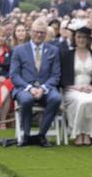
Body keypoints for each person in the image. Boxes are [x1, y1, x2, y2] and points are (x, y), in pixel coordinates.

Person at [9, 18, 62, 147]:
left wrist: (43, 88)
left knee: (56, 99)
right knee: (27, 100)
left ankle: (42, 135)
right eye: (36, 32)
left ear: (46, 34)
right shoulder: (19, 50)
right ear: (30, 32)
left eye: (42, 32)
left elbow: (56, 75)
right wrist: (29, 88)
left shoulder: (53, 50)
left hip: (46, 88)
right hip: (24, 87)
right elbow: (14, 75)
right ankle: (25, 135)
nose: (39, 35)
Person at [60, 22, 92, 147]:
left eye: (84, 37)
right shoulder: (67, 55)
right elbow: (62, 78)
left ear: (88, 39)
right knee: (81, 101)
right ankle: (77, 133)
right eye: (79, 37)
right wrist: (76, 88)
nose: (81, 40)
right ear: (74, 38)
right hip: (72, 88)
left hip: (91, 88)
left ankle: (88, 134)